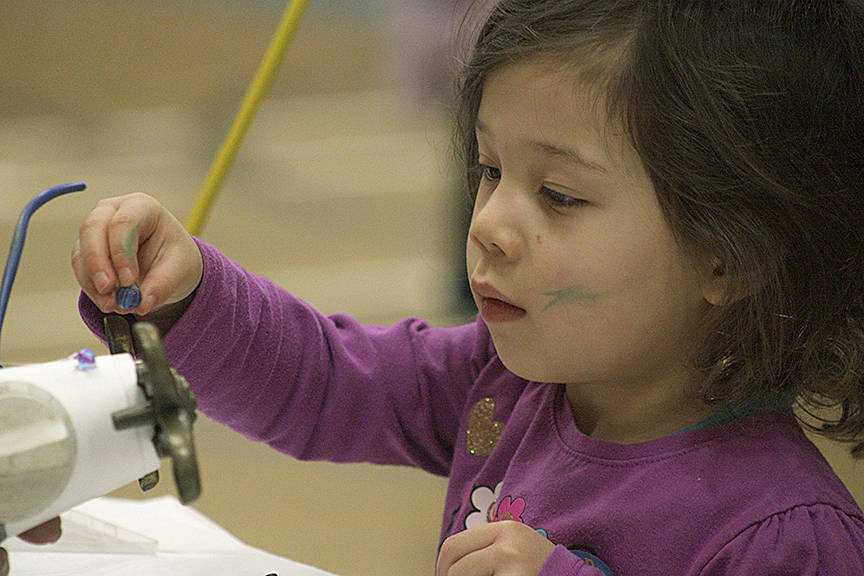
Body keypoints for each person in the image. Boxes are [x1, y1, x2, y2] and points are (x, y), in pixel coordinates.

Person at [69, 1, 864, 574]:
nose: (489, 224)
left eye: (559, 195)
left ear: (731, 256)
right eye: (488, 170)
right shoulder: (500, 385)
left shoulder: (790, 536)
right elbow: (323, 383)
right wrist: (190, 295)